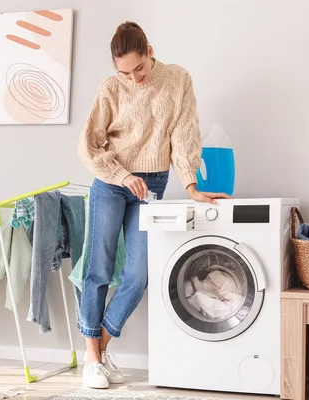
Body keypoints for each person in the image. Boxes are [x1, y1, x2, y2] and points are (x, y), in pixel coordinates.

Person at [76, 21, 230, 389]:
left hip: (154, 183)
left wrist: (191, 185)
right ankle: (94, 360)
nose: (135, 78)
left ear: (150, 50)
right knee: (98, 269)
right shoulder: (110, 89)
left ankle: (97, 351)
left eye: (139, 68)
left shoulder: (177, 79)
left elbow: (184, 131)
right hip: (112, 183)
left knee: (138, 276)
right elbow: (89, 145)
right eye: (124, 72)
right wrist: (121, 174)